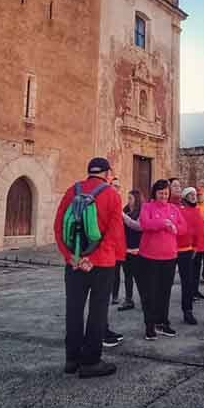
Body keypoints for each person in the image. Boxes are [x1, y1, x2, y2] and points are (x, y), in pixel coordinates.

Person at [54, 157, 126, 376]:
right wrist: (93, 258)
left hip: (74, 263)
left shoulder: (72, 191)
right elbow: (114, 232)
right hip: (102, 264)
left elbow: (58, 227)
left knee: (74, 310)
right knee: (97, 311)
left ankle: (72, 359)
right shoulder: (111, 194)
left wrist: (71, 257)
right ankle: (91, 362)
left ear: (89, 172)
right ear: (107, 173)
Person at [137, 180, 186, 339]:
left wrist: (175, 228)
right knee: (149, 293)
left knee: (164, 292)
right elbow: (145, 224)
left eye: (166, 193)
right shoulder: (147, 207)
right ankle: (149, 325)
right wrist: (163, 223)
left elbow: (183, 227)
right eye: (161, 193)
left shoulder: (174, 209)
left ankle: (162, 322)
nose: (164, 196)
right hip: (149, 257)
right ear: (155, 193)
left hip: (169, 257)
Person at [175, 188, 204, 324]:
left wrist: (195, 247)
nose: (194, 197)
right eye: (191, 195)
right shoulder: (179, 209)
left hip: (187, 250)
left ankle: (188, 311)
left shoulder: (196, 211)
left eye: (195, 194)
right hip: (173, 249)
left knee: (187, 282)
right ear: (185, 197)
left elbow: (197, 231)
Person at [118, 190, 142, 311]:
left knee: (139, 277)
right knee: (127, 276)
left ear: (136, 199)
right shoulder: (126, 210)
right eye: (128, 198)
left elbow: (138, 226)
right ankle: (128, 300)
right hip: (126, 248)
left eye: (130, 198)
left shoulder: (141, 211)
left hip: (137, 249)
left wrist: (123, 217)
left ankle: (145, 299)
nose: (128, 201)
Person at [110, 176, 123, 305]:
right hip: (107, 242)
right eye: (115, 186)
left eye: (118, 187)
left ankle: (115, 295)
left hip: (118, 243)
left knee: (116, 271)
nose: (117, 189)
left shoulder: (119, 200)